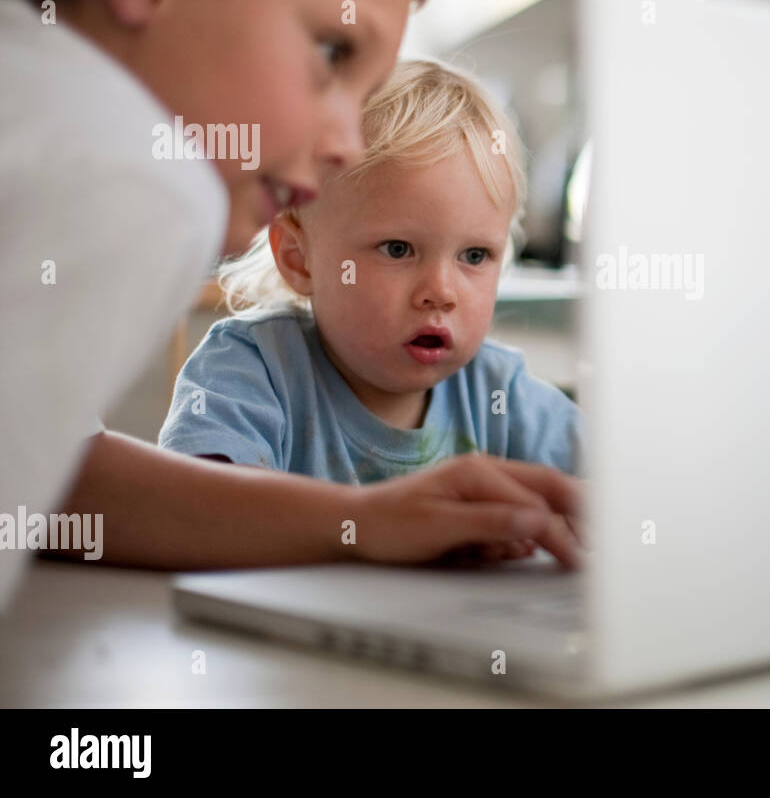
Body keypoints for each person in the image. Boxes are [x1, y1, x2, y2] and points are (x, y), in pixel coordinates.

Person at [0, 0, 584, 608]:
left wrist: (364, 519)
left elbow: (61, 485)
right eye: (331, 51)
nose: (346, 139)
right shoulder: (137, 177)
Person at [159, 60, 585, 562]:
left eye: (474, 256)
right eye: (398, 249)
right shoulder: (253, 369)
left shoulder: (501, 393)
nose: (441, 292)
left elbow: (633, 490)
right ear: (299, 259)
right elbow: (196, 511)